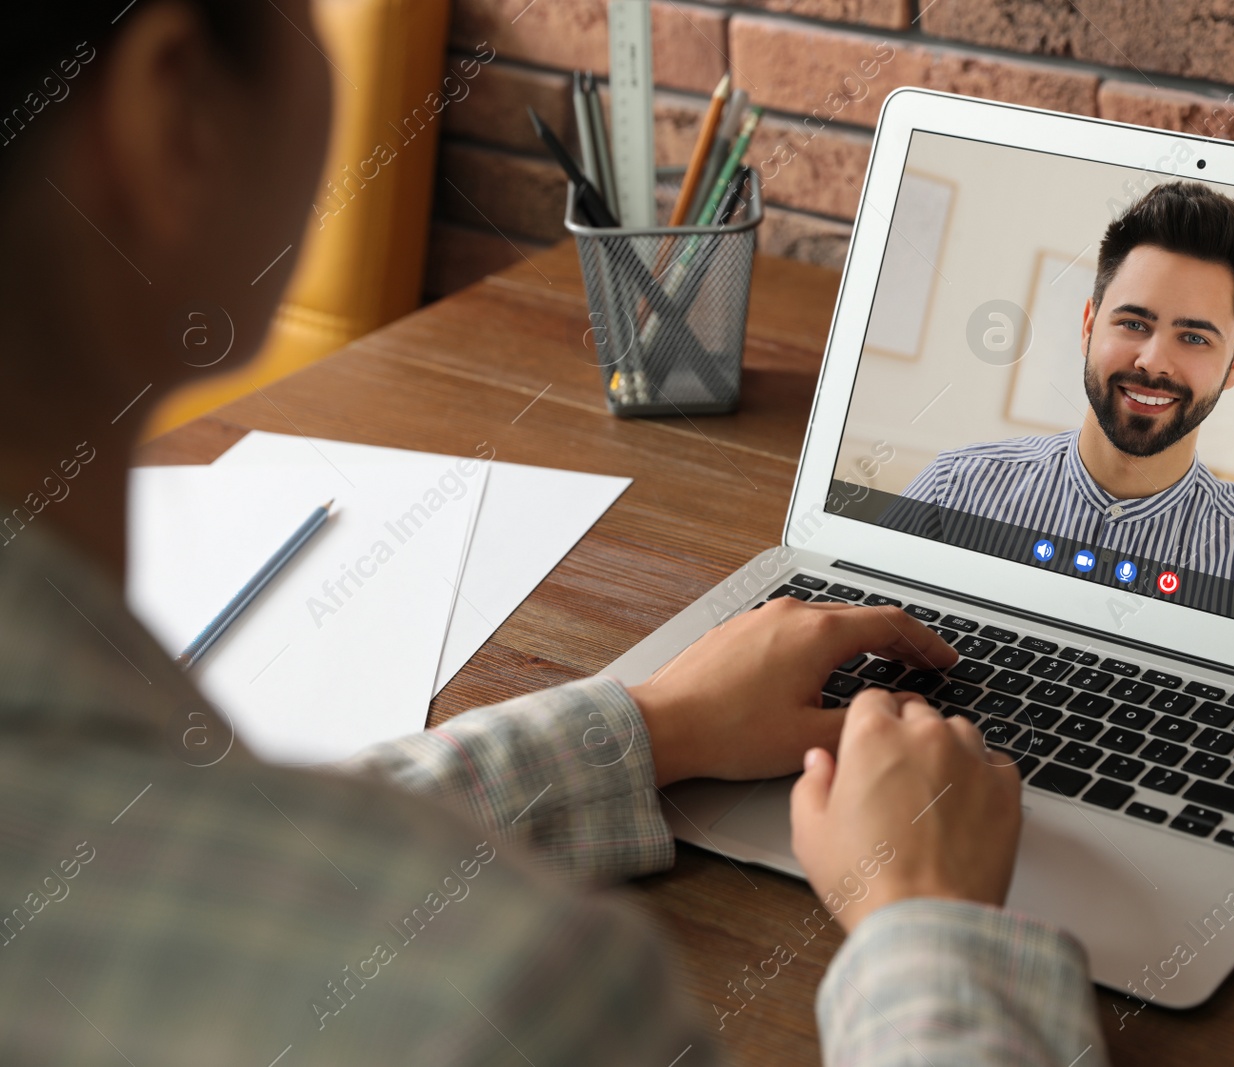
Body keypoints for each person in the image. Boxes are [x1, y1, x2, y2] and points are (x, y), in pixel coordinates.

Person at [0, 4, 1106, 1063]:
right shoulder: (493, 998)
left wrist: (651, 724)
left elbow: (219, 873)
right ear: (172, 116)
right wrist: (929, 921)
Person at [890, 182, 1234, 624]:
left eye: (1193, 337)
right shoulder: (951, 493)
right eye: (1133, 324)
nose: (1152, 361)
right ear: (1089, 327)